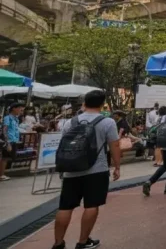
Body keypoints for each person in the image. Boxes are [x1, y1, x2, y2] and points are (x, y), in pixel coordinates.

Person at [52, 90, 121, 249]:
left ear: (84, 103)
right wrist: (117, 166)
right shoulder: (107, 122)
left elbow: (63, 145)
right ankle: (82, 242)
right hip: (96, 170)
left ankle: (58, 243)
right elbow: (114, 146)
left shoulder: (70, 122)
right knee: (91, 205)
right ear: (102, 105)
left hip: (71, 169)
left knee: (65, 206)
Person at [1, 103, 25, 182]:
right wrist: (7, 142)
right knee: (4, 158)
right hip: (9, 140)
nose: (20, 111)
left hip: (14, 140)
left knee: (7, 158)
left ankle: (3, 173)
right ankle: (1, 175)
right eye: (19, 109)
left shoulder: (16, 119)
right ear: (14, 109)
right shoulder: (7, 118)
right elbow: (4, 129)